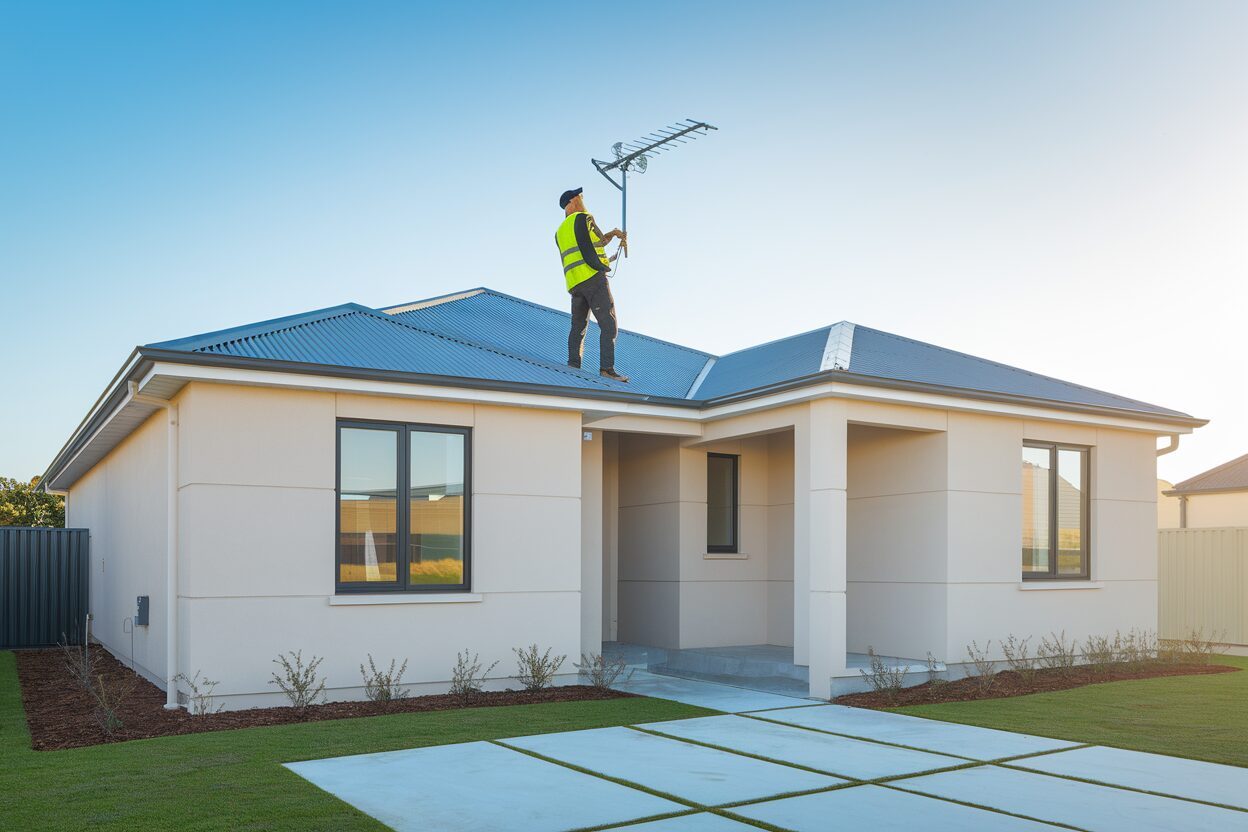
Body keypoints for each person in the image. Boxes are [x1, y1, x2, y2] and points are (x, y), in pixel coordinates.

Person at [555, 187, 629, 382]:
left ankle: (573, 366)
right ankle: (607, 369)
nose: (582, 199)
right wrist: (613, 234)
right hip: (593, 278)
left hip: (575, 284)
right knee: (608, 324)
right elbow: (599, 241)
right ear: (571, 202)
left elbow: (585, 247)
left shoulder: (560, 232)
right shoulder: (584, 218)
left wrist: (611, 240)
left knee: (578, 326)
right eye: (579, 197)